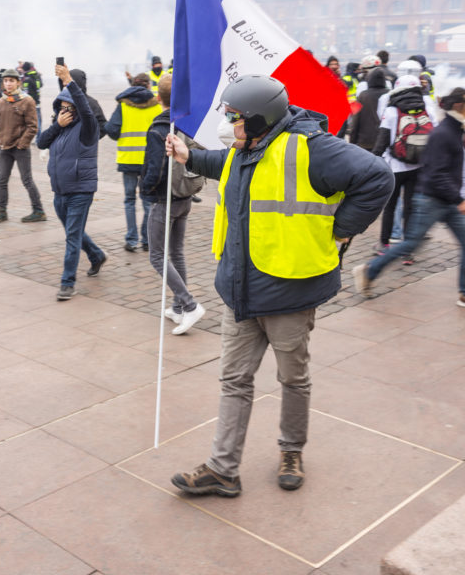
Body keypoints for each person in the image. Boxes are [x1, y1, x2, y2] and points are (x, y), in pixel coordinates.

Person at [165, 75, 394, 497]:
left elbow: (378, 177)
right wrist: (187, 156)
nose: (229, 125)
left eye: (234, 117)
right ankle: (222, 469)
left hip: (290, 290)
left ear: (257, 122)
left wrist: (342, 229)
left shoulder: (312, 148)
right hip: (239, 288)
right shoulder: (244, 149)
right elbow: (223, 163)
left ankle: (291, 450)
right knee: (234, 379)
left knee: (293, 379)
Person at [356, 88, 465, 309]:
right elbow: (436, 173)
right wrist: (460, 200)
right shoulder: (443, 134)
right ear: (458, 106)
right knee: (411, 243)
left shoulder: (455, 130)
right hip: (432, 200)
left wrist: (459, 198)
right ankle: (369, 270)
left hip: (447, 200)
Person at [37, 64, 107, 301]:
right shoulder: (60, 127)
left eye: (70, 108)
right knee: (73, 232)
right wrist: (57, 124)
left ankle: (67, 282)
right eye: (62, 108)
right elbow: (40, 142)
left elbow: (87, 111)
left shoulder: (88, 128)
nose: (65, 112)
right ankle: (96, 255)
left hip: (80, 190)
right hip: (60, 190)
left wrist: (68, 80)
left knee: (72, 237)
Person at [143, 73, 206, 334]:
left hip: (163, 198)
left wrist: (145, 187)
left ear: (158, 98)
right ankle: (178, 307)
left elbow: (156, 168)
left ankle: (190, 306)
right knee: (176, 252)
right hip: (184, 195)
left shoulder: (159, 129)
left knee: (157, 255)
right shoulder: (187, 124)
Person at [371, 76, 438, 257]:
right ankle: (407, 250)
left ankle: (384, 244)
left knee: (390, 206)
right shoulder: (427, 109)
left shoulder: (391, 111)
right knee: (410, 207)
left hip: (395, 167)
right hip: (418, 165)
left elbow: (382, 142)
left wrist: (370, 164)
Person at [104, 73, 162, 251]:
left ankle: (131, 239)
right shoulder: (156, 106)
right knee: (147, 201)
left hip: (128, 159)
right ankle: (146, 240)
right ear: (148, 85)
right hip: (148, 161)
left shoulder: (123, 105)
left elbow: (112, 130)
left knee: (129, 200)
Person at [0, 69, 45, 224]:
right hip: (5, 148)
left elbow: (33, 127)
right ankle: (2, 211)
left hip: (20, 148)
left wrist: (22, 144)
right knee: (1, 180)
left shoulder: (27, 101)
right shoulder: (1, 102)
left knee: (26, 180)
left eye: (11, 81)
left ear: (18, 82)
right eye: (6, 80)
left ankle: (38, 210)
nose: (8, 84)